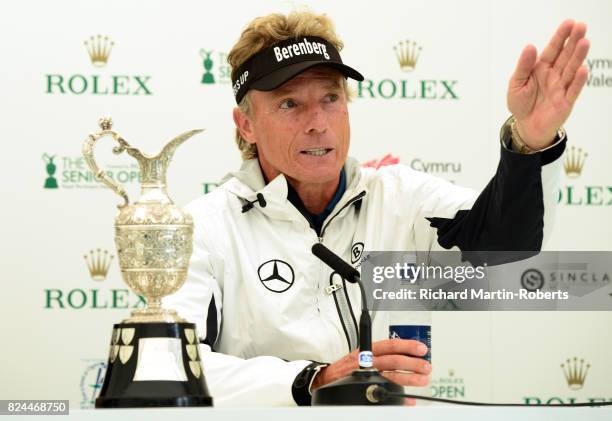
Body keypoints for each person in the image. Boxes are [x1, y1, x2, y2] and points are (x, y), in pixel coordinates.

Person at [164, 11, 590, 406]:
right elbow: (170, 368)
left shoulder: (400, 197)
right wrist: (313, 379)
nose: (318, 122)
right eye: (290, 104)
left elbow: (503, 249)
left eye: (331, 98)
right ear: (247, 125)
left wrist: (530, 143)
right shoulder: (202, 227)